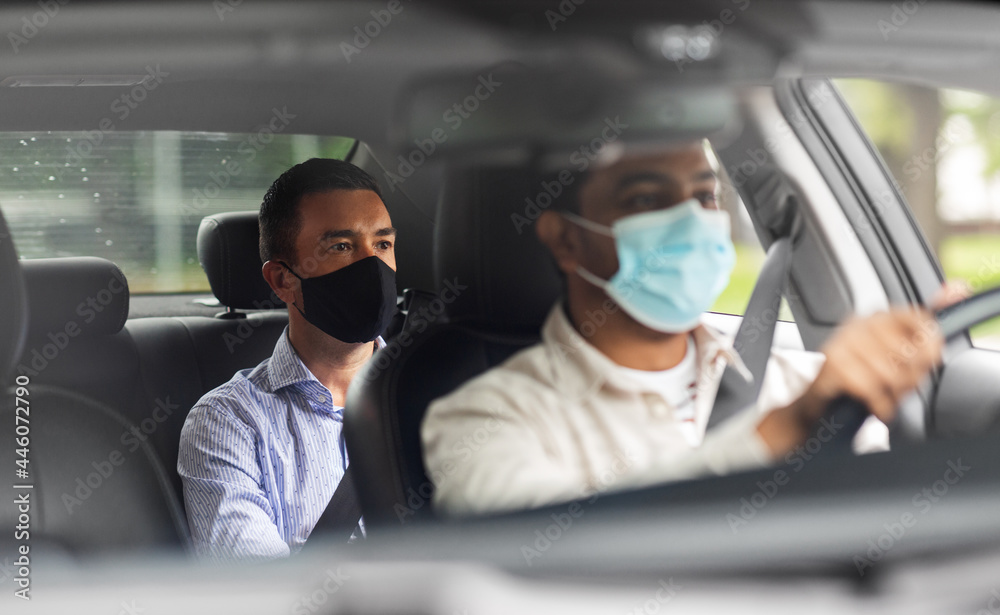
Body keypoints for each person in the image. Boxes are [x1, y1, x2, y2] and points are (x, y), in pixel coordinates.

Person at [421, 141, 955, 518]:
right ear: (566, 240)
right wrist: (785, 433)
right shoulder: (483, 417)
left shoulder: (800, 379)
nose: (691, 221)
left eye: (705, 196)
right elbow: (535, 556)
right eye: (646, 200)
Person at [178, 158, 397, 560]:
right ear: (283, 280)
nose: (373, 265)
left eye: (382, 244)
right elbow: (264, 594)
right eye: (341, 246)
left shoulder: (435, 395)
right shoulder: (229, 422)